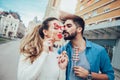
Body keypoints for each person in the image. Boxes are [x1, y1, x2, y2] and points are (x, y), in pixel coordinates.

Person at [58, 15, 114, 80]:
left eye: (69, 26)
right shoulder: (61, 51)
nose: (64, 28)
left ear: (79, 29)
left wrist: (89, 75)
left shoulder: (99, 50)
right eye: (64, 26)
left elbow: (110, 76)